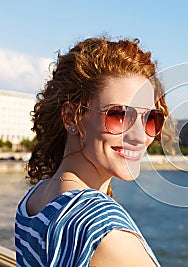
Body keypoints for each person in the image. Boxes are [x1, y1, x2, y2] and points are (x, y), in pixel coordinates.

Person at [15, 37, 173, 266]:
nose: (139, 136)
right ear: (71, 117)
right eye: (119, 115)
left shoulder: (34, 200)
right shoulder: (106, 232)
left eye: (150, 118)